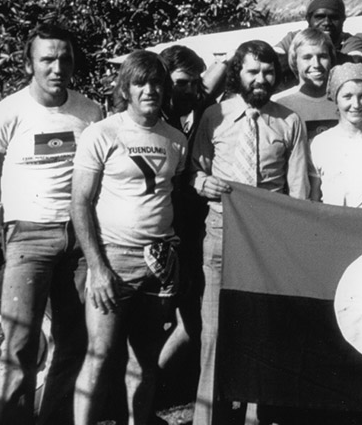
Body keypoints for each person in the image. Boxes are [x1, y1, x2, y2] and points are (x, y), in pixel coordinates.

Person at [0, 24, 103, 425]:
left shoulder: (90, 111)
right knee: (18, 346)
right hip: (29, 237)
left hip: (80, 240)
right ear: (29, 62)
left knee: (74, 341)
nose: (57, 67)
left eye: (65, 58)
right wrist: (15, 218)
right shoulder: (5, 113)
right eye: (47, 58)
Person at [190, 39, 310, 425]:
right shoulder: (214, 116)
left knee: (262, 333)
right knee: (215, 334)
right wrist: (201, 182)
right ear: (237, 74)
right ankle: (209, 419)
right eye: (253, 72)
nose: (261, 79)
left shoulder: (289, 122)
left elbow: (298, 193)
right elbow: (195, 169)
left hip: (268, 241)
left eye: (268, 72)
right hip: (222, 233)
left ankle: (257, 418)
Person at [70, 50, 189, 425]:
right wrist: (97, 267)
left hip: (159, 260)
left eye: (156, 82)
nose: (149, 90)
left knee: (145, 359)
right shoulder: (103, 132)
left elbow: (175, 195)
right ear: (126, 88)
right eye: (140, 83)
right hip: (112, 257)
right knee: (100, 354)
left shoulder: (176, 139)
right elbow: (81, 203)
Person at [156, 45, 211, 402]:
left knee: (192, 324)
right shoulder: (155, 123)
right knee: (146, 327)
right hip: (156, 238)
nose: (188, 91)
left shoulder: (197, 115)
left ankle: (148, 390)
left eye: (193, 84)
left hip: (188, 237)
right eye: (180, 83)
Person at [309, 62, 362, 208]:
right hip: (332, 227)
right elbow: (313, 199)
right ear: (336, 99)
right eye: (347, 96)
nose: (356, 104)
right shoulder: (320, 143)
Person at [272, 0, 362, 87]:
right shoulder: (295, 37)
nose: (327, 22)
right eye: (320, 17)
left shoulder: (350, 41)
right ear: (308, 19)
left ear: (343, 19)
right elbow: (271, 59)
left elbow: (355, 66)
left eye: (334, 17)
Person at [273, 28, 339, 140]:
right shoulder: (278, 104)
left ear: (331, 59)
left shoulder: (345, 101)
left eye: (322, 56)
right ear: (295, 61)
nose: (316, 64)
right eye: (307, 57)